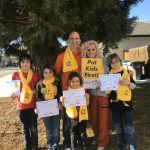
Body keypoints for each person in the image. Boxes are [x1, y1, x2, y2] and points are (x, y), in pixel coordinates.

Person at [55, 31, 81, 150]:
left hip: (82, 93)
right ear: (68, 41)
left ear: (79, 40)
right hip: (67, 93)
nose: (74, 41)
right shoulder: (61, 56)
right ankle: (67, 143)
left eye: (76, 38)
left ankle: (79, 141)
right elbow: (55, 73)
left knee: (82, 118)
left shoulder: (84, 55)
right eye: (72, 38)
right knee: (67, 121)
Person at [82, 40, 109, 150]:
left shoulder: (103, 60)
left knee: (102, 119)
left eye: (93, 49)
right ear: (86, 51)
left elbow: (109, 76)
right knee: (94, 118)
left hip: (103, 94)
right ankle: (98, 137)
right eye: (89, 50)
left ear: (97, 49)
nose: (91, 51)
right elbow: (83, 79)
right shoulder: (85, 62)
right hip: (92, 94)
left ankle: (102, 142)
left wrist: (102, 82)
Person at [107, 53, 138, 150]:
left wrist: (128, 83)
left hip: (126, 106)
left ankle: (133, 146)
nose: (115, 64)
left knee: (129, 127)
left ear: (120, 61)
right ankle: (122, 144)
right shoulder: (108, 75)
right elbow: (107, 91)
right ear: (110, 65)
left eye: (117, 61)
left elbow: (134, 86)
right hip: (115, 106)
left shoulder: (127, 72)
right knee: (118, 128)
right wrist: (102, 85)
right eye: (112, 63)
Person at [11, 53, 39, 150]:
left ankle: (35, 147)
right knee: (25, 130)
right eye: (23, 62)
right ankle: (27, 147)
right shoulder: (15, 75)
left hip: (33, 106)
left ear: (31, 64)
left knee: (34, 129)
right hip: (21, 106)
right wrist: (13, 94)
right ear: (20, 64)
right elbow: (15, 91)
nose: (25, 64)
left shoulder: (35, 75)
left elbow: (39, 90)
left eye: (27, 62)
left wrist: (32, 91)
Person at [61, 71, 89, 150]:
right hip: (73, 117)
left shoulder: (83, 91)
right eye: (73, 81)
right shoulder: (67, 93)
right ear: (69, 82)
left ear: (80, 82)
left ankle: (83, 146)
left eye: (77, 81)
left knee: (82, 133)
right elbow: (65, 105)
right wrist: (62, 101)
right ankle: (74, 148)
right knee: (73, 134)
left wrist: (87, 98)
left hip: (83, 116)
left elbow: (87, 104)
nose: (75, 83)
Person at [36, 65, 62, 150]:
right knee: (48, 129)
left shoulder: (57, 82)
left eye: (50, 72)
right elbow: (39, 97)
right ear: (42, 74)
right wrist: (38, 107)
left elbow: (60, 95)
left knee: (56, 128)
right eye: (45, 73)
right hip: (45, 111)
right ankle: (50, 144)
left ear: (53, 73)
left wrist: (60, 103)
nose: (48, 75)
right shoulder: (40, 85)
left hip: (55, 109)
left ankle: (56, 144)